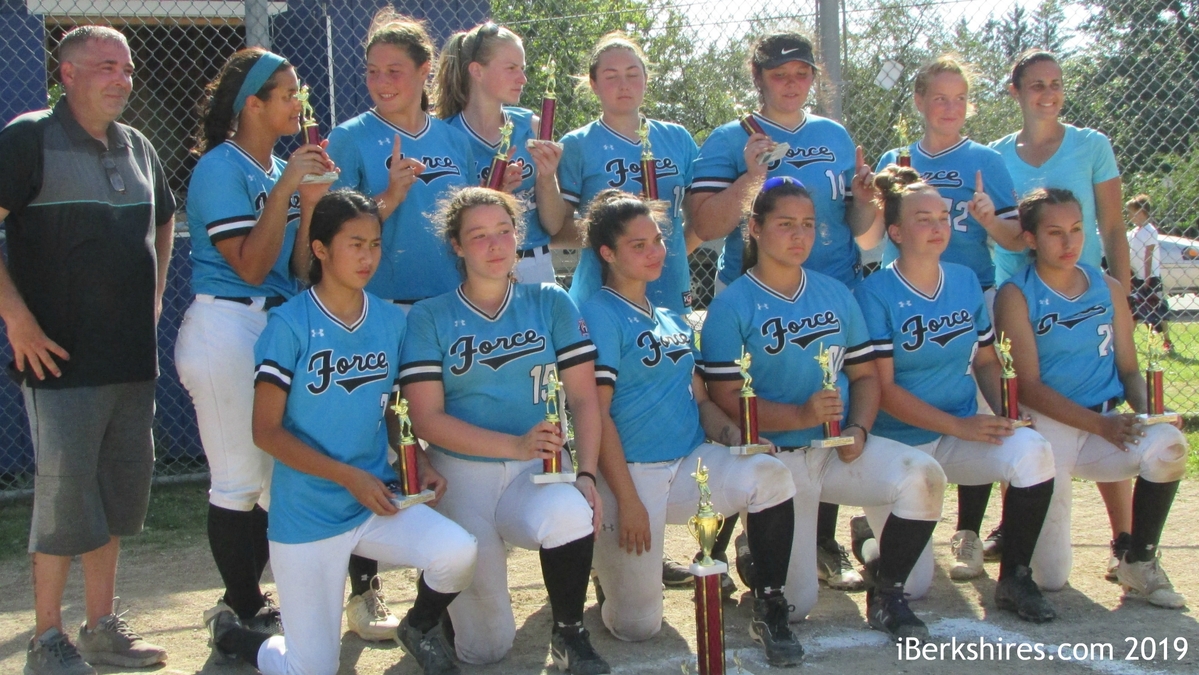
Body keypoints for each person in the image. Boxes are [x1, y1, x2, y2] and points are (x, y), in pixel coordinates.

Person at [204, 189, 477, 675]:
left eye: (374, 244)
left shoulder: (389, 319)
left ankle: (417, 627)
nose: (368, 256)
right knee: (311, 669)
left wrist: (420, 462)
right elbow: (266, 432)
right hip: (308, 515)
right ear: (320, 249)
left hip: (373, 502)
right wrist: (349, 476)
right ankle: (235, 638)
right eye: (355, 244)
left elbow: (394, 409)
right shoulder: (289, 323)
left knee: (457, 552)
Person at [701, 177, 946, 642]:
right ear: (755, 228)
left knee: (923, 476)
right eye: (785, 224)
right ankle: (757, 549)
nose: (800, 235)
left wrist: (860, 428)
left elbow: (866, 376)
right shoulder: (732, 304)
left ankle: (886, 593)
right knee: (796, 605)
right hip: (780, 460)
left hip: (835, 448)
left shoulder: (835, 293)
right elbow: (725, 398)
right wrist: (798, 416)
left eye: (808, 224)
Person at [0, 25, 172, 675]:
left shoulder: (139, 147)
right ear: (67, 74)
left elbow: (165, 218)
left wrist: (156, 295)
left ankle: (101, 630)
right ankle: (46, 641)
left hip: (131, 360)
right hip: (58, 363)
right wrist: (17, 319)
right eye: (105, 67)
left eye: (126, 68)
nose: (121, 79)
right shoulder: (28, 139)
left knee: (114, 500)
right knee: (64, 501)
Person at [687, 33, 881, 589]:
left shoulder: (833, 135)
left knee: (824, 411)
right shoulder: (732, 137)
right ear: (758, 78)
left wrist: (865, 199)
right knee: (747, 413)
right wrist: (751, 176)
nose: (791, 84)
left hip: (831, 294)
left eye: (801, 73)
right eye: (779, 74)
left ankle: (820, 543)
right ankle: (722, 543)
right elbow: (703, 226)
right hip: (754, 299)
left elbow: (859, 228)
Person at [578, 190, 803, 666]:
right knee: (637, 628)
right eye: (638, 245)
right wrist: (630, 501)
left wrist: (736, 438)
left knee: (770, 475)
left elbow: (701, 400)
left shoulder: (670, 318)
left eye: (657, 240)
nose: (655, 252)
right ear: (607, 253)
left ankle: (770, 603)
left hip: (688, 464)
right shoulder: (598, 314)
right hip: (630, 474)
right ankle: (605, 566)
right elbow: (596, 413)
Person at [400, 187, 609, 673]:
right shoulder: (430, 315)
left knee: (570, 512)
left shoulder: (549, 300)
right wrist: (513, 444)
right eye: (478, 236)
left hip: (535, 470)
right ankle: (435, 612)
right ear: (456, 245)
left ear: (518, 236)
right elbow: (426, 419)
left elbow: (583, 397)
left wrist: (587, 474)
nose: (495, 245)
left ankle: (570, 633)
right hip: (462, 476)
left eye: (504, 231)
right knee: (486, 649)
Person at [176, 47, 335, 649]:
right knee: (238, 480)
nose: (298, 103)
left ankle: (241, 601)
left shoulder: (273, 168)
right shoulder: (221, 166)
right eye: (288, 94)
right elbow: (248, 267)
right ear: (253, 104)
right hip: (225, 325)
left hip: (270, 325)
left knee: (274, 478)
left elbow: (296, 271)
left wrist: (309, 203)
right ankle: (244, 607)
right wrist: (289, 185)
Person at [324, 10, 475, 637]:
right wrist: (388, 198)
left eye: (395, 71)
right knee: (377, 445)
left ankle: (443, 584)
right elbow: (333, 233)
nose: (382, 82)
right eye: (372, 71)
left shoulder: (452, 138)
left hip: (443, 310)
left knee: (435, 447)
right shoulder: (350, 138)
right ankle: (364, 591)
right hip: (376, 312)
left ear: (425, 72)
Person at [854, 166, 1057, 622]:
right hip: (898, 443)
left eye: (943, 218)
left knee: (1034, 450)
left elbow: (985, 361)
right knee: (916, 585)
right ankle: (870, 545)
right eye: (923, 219)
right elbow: (883, 390)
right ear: (896, 233)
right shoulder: (874, 292)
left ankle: (1015, 578)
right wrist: (961, 426)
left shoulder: (964, 280)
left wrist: (1007, 412)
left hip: (954, 432)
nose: (937, 227)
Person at [993, 187, 1188, 608]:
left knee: (1169, 444)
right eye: (1055, 232)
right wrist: (1100, 425)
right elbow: (1028, 386)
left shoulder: (1107, 286)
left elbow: (1129, 370)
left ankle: (1138, 560)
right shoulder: (1016, 294)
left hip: (1104, 424)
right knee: (1051, 578)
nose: (1069, 242)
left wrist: (1152, 411)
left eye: (1077, 229)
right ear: (1030, 239)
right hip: (1051, 431)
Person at [984, 49, 1133, 577]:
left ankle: (1124, 540)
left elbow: (1111, 226)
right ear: (1015, 91)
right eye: (1036, 85)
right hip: (1021, 295)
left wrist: (1121, 294)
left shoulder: (1092, 144)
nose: (1048, 94)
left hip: (1085, 293)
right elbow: (1006, 232)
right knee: (1022, 410)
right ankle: (1015, 527)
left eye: (1056, 83)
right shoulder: (996, 155)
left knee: (1101, 401)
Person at [559, 32, 699, 315]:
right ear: (594, 84)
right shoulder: (577, 144)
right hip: (601, 289)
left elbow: (700, 221)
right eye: (611, 76)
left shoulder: (677, 138)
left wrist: (658, 251)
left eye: (633, 74)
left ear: (646, 79)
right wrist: (620, 247)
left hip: (669, 284)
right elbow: (556, 229)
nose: (624, 84)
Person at [875, 55, 1023, 303]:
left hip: (969, 291)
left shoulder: (986, 160)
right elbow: (869, 239)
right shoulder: (895, 160)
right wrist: (865, 200)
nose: (951, 108)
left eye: (960, 99)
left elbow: (1017, 241)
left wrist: (990, 221)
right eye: (940, 99)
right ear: (919, 101)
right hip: (902, 293)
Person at [434, 21, 571, 284]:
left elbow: (554, 225)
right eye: (511, 68)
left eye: (522, 68)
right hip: (477, 268)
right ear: (477, 71)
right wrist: (494, 195)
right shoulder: (446, 136)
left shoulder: (531, 127)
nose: (523, 79)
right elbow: (447, 226)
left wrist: (546, 176)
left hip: (534, 262)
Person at [1126, 194, 1172, 349]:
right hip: (1136, 277)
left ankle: (1167, 341)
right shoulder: (1133, 232)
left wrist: (1147, 278)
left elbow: (1148, 255)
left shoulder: (1150, 231)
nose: (1129, 216)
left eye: (1131, 212)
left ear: (1141, 212)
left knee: (1158, 308)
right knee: (1134, 309)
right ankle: (1128, 342)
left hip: (1150, 277)